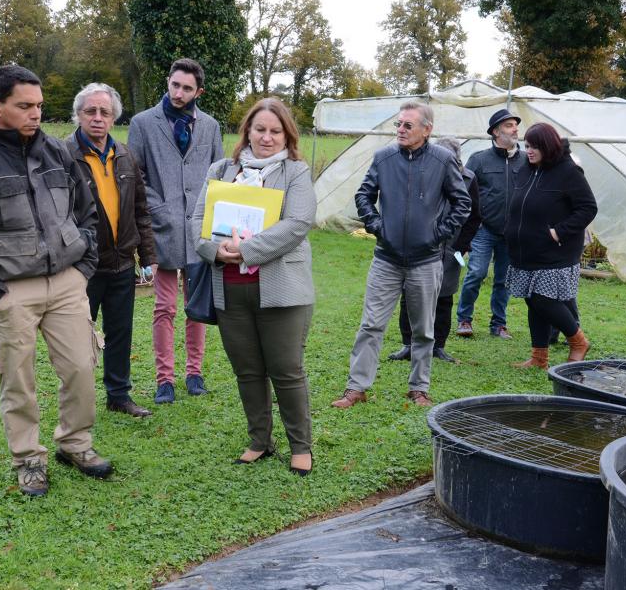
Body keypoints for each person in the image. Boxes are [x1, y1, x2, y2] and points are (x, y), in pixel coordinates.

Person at [0, 65, 111, 497]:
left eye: (40, 106)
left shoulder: (58, 152)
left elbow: (87, 213)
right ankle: (28, 459)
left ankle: (76, 444)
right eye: (24, 106)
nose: (35, 114)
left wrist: (82, 269)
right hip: (13, 289)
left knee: (82, 368)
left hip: (67, 281)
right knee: (18, 380)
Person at [192, 98, 316, 475]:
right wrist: (216, 250)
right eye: (259, 129)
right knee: (247, 370)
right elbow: (197, 220)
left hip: (280, 288)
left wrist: (244, 250)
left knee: (286, 369)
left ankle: (300, 445)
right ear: (247, 130)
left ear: (286, 135)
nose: (266, 137)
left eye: (275, 131)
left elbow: (297, 223)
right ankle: (259, 440)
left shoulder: (295, 171)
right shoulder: (222, 169)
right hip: (229, 288)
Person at [331, 101, 471, 409]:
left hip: (426, 260)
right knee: (371, 325)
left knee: (423, 329)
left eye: (408, 125)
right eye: (398, 124)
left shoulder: (443, 160)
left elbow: (462, 202)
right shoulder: (384, 158)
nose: (401, 130)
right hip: (386, 259)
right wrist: (378, 226)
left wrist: (438, 234)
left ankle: (418, 388)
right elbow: (363, 195)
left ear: (426, 129)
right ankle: (357, 387)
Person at [128, 58, 224, 404]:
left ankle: (194, 373)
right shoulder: (143, 123)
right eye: (174, 85)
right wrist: (156, 205)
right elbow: (134, 175)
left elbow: (220, 175)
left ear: (199, 91)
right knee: (164, 306)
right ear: (168, 83)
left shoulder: (211, 126)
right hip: (162, 227)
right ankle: (164, 378)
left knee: (197, 307)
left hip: (200, 230)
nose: (179, 93)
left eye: (187, 88)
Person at [66, 82, 156, 418]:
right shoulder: (64, 156)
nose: (98, 118)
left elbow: (140, 211)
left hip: (121, 265)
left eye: (105, 112)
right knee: (78, 339)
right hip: (82, 268)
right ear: (78, 115)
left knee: (120, 333)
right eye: (91, 111)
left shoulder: (126, 156)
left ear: (114, 118)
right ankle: (79, 398)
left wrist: (148, 258)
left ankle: (118, 395)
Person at [505, 122, 597, 369]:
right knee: (533, 301)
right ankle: (539, 358)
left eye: (534, 146)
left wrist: (559, 232)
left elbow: (587, 207)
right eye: (526, 146)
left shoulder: (568, 171)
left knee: (543, 299)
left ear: (548, 146)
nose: (529, 151)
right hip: (526, 250)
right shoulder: (526, 168)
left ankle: (578, 341)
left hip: (555, 252)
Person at [388, 137, 482, 364]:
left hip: (451, 248)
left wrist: (461, 247)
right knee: (409, 294)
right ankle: (408, 344)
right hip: (417, 245)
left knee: (444, 297)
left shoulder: (469, 179)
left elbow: (474, 216)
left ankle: (438, 346)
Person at [455, 109, 527, 340]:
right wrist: (467, 225)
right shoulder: (479, 159)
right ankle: (464, 319)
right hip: (484, 229)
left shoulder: (526, 160)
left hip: (512, 232)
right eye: (508, 125)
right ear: (496, 132)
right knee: (476, 272)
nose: (515, 129)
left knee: (504, 280)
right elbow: (463, 193)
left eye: (515, 125)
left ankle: (499, 324)